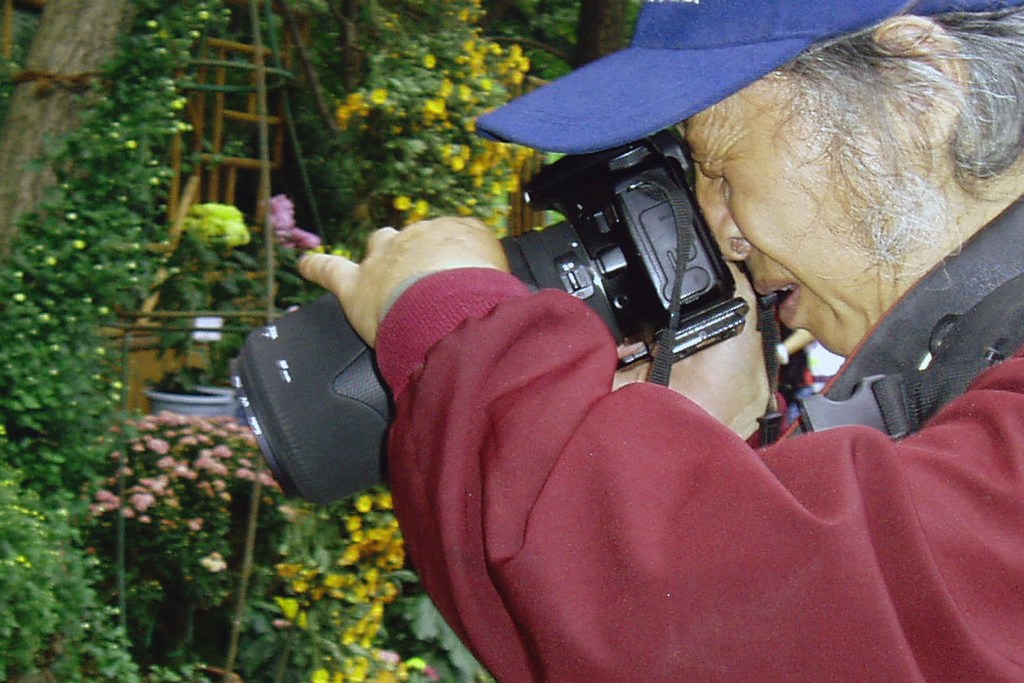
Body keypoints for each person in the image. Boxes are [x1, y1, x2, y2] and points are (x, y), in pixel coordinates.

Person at [300, 0, 1024, 680]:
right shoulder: (971, 373)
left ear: (918, 94)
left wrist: (451, 322)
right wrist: (722, 441)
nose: (722, 236)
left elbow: (741, 613)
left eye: (717, 166)